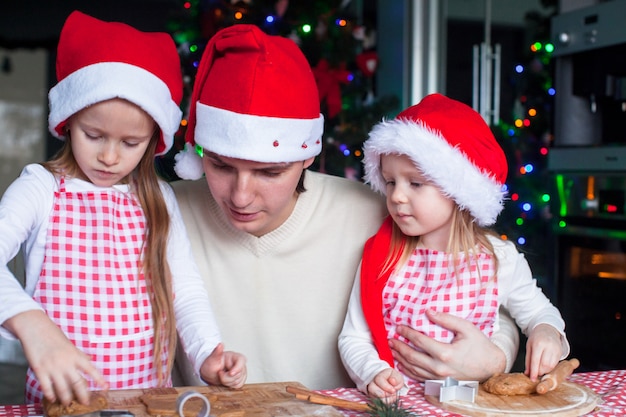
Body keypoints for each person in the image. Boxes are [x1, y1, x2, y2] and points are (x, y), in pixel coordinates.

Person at [170, 24, 520, 390]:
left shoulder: (376, 213)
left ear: (307, 156)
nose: (241, 196)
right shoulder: (164, 212)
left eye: (270, 172)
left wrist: (496, 357)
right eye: (221, 166)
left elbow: (489, 284)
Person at [0, 11, 246, 406]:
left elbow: (184, 289)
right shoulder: (41, 189)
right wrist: (32, 324)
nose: (109, 156)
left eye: (130, 142)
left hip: (150, 401)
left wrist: (207, 353)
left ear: (153, 140)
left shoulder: (159, 199)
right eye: (93, 135)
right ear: (67, 122)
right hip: (63, 406)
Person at [338, 93, 570, 399]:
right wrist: (373, 373)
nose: (396, 196)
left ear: (458, 190)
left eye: (415, 183)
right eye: (390, 181)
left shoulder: (498, 258)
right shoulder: (384, 257)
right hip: (404, 405)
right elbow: (353, 337)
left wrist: (547, 333)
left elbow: (540, 313)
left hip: (475, 406)